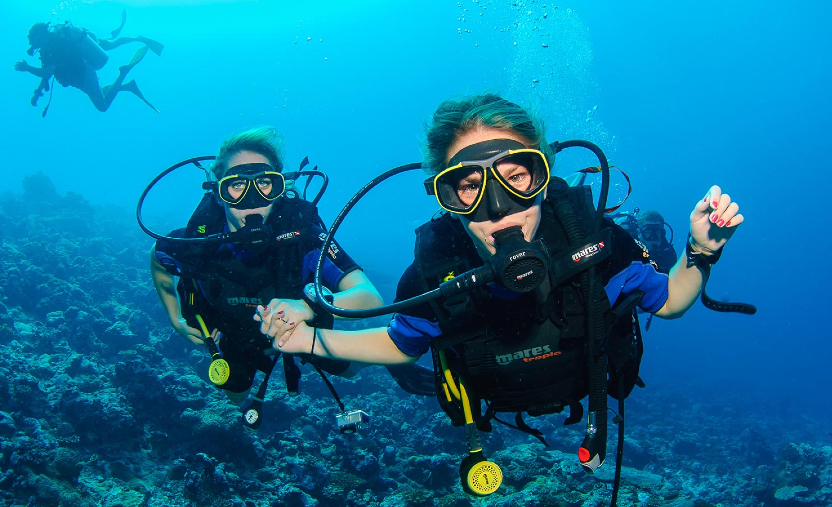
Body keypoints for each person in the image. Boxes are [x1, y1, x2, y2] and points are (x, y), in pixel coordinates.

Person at [259, 94, 745, 497]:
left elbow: (670, 301)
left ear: (545, 176)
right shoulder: (436, 271)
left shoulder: (595, 242)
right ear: (445, 198)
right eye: (468, 187)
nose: (497, 210)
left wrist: (700, 251)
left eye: (516, 177)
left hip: (588, 391)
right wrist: (307, 341)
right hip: (491, 407)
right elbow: (401, 342)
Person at [150, 127, 432, 427]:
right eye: (236, 186)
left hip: (305, 330)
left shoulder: (304, 239)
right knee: (233, 393)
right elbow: (158, 259)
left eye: (264, 183)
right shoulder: (197, 243)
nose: (252, 200)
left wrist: (309, 306)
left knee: (349, 370)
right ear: (218, 193)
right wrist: (176, 320)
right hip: (236, 336)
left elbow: (368, 297)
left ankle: (384, 360)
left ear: (280, 187)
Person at [14, 12, 163, 114]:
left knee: (102, 106)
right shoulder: (47, 49)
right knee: (110, 45)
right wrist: (38, 93)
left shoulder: (54, 45)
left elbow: (46, 72)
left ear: (40, 34)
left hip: (83, 74)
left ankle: (123, 72)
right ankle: (128, 83)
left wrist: (27, 68)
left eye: (31, 37)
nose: (30, 42)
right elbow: (46, 74)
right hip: (81, 73)